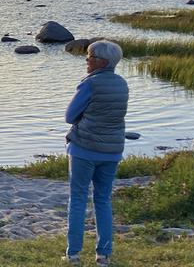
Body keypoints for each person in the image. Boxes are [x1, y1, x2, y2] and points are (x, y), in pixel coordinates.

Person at [62, 40, 128, 266]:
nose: (86, 60)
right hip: (112, 151)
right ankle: (103, 255)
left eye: (90, 56)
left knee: (78, 199)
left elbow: (70, 116)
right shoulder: (122, 84)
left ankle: (73, 254)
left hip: (84, 149)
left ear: (102, 61)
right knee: (103, 200)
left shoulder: (89, 84)